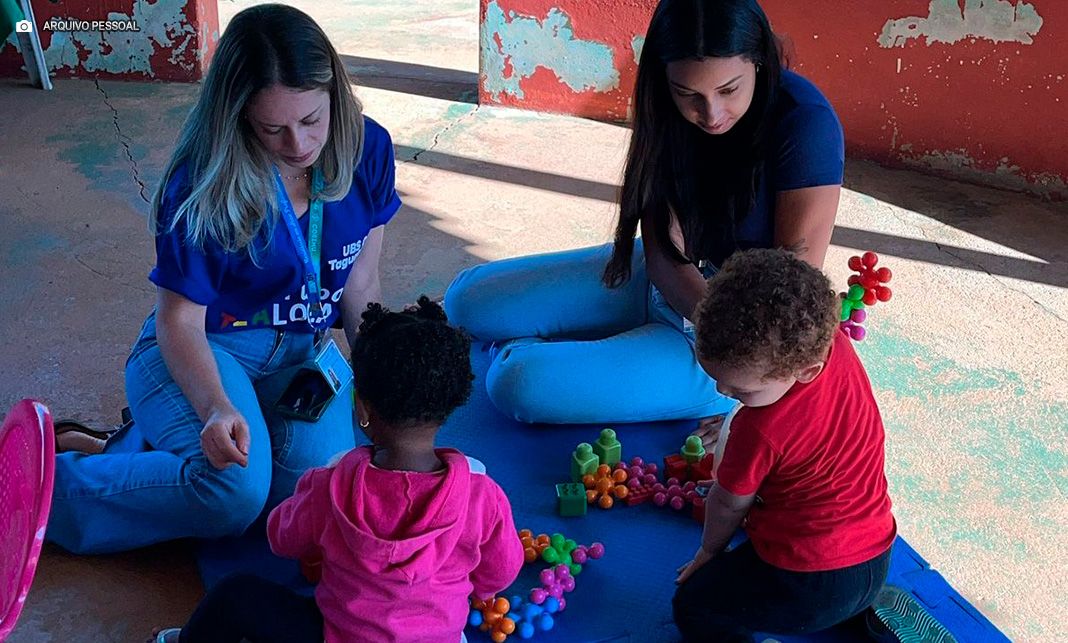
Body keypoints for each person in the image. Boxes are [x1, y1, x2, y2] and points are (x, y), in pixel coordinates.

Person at [48, 3, 402, 554]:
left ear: (334, 92)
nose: (299, 145)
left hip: (303, 354)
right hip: (207, 348)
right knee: (233, 493)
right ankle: (44, 494)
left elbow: (361, 286)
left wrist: (381, 380)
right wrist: (215, 405)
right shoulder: (202, 182)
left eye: (311, 120)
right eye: (272, 129)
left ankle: (129, 446)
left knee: (311, 497)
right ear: (238, 116)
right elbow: (179, 322)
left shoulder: (368, 147)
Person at [444, 0, 844, 434]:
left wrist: (735, 374)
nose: (710, 114)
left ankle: (574, 355)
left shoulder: (805, 123)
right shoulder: (664, 111)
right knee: (467, 301)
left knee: (516, 383)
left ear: (760, 62)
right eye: (688, 94)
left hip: (738, 340)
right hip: (676, 283)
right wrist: (696, 304)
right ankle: (584, 351)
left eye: (728, 89)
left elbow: (794, 293)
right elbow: (661, 255)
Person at [152, 298, 525, 643]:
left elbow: (283, 537)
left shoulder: (330, 485)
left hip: (335, 635)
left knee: (235, 595)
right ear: (449, 406)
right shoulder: (483, 496)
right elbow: (500, 573)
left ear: (361, 409)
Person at [673, 249, 895, 641]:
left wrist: (708, 554)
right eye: (715, 377)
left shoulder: (757, 429)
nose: (724, 392)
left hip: (806, 582)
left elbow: (728, 503)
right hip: (876, 556)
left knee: (695, 606)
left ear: (804, 370)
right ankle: (865, 623)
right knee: (834, 604)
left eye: (741, 389)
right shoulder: (831, 346)